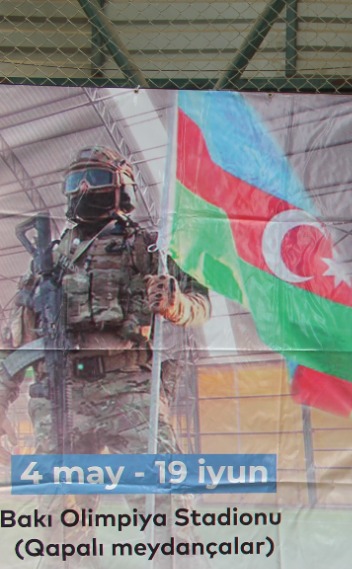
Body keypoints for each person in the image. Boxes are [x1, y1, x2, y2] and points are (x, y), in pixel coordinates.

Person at [0, 145, 209, 456]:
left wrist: (174, 303)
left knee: (162, 480)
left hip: (128, 389)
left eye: (95, 179)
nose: (84, 189)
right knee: (58, 486)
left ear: (121, 189)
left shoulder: (146, 248)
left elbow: (201, 304)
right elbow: (16, 340)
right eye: (76, 182)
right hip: (61, 392)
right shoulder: (49, 261)